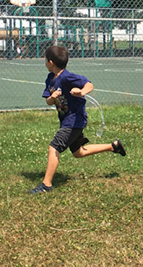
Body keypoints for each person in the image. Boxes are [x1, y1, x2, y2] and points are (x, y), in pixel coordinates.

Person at [30, 45, 126, 194]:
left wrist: (81, 92)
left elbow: (89, 84)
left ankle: (46, 185)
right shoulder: (50, 79)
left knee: (54, 147)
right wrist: (52, 98)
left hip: (74, 120)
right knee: (78, 152)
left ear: (50, 62)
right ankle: (113, 146)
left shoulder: (67, 77)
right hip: (66, 120)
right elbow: (48, 101)